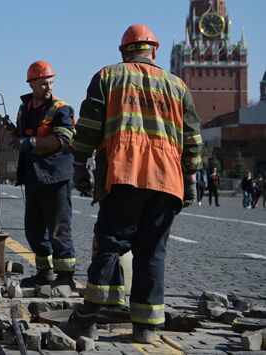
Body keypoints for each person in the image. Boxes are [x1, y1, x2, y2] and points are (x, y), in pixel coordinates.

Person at [68, 24, 203, 343]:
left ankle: (87, 318)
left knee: (109, 245)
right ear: (154, 51)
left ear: (123, 52)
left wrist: (79, 165)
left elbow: (87, 126)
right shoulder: (178, 85)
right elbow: (193, 140)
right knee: (152, 252)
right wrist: (191, 178)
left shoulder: (107, 76)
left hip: (125, 173)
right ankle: (146, 327)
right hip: (167, 180)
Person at [8, 60, 77, 289]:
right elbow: (20, 135)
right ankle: (44, 272)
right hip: (34, 176)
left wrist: (33, 142)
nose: (48, 87)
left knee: (59, 227)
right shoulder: (24, 109)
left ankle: (65, 275)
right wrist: (10, 131)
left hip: (56, 176)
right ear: (32, 84)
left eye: (50, 82)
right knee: (35, 228)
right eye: (43, 83)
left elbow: (63, 139)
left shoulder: (61, 109)